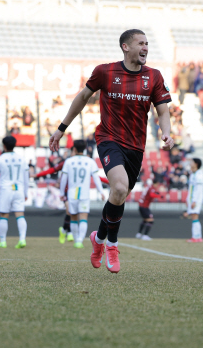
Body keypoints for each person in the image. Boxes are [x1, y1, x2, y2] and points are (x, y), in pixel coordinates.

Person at [49, 29, 174, 274]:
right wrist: (62, 128)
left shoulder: (154, 76)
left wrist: (166, 132)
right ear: (126, 47)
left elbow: (163, 109)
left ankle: (98, 238)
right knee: (117, 188)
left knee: (118, 197)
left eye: (147, 43)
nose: (146, 47)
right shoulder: (105, 72)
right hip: (109, 139)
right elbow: (83, 96)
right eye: (141, 43)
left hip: (136, 146)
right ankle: (112, 245)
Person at [59, 140, 106, 248]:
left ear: (74, 149)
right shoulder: (90, 161)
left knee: (73, 217)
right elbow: (96, 178)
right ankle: (80, 240)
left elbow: (63, 179)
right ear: (85, 149)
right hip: (84, 194)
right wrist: (101, 192)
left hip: (72, 194)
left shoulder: (69, 161)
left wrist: (62, 193)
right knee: (84, 217)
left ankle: (76, 240)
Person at [0, 136, 29, 249]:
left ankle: (3, 241)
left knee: (4, 215)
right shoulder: (22, 159)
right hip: (18, 189)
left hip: (6, 190)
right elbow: (26, 178)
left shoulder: (0, 159)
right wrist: (26, 193)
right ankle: (22, 239)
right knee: (20, 215)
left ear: (4, 146)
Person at [183, 158, 203, 243]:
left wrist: (194, 200)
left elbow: (198, 189)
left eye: (192, 162)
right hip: (192, 199)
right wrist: (188, 199)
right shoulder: (192, 174)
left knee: (195, 216)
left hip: (196, 199)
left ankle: (195, 237)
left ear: (196, 164)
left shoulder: (199, 175)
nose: (190, 163)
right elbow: (191, 188)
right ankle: (198, 237)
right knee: (194, 217)